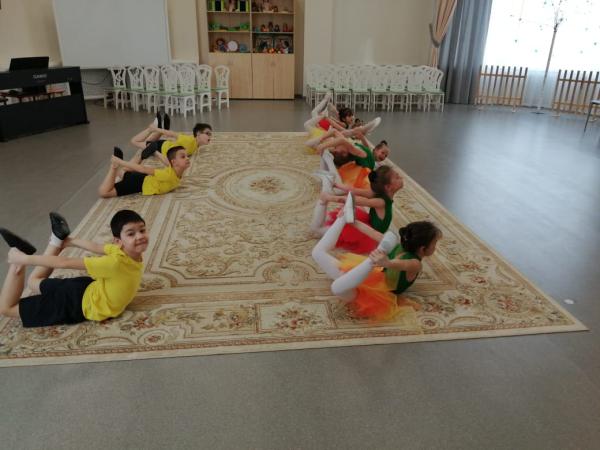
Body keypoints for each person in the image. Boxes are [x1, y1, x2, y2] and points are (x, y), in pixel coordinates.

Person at [0, 210, 148, 328]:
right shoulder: (114, 263)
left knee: (33, 282)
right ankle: (17, 260)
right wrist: (25, 260)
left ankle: (55, 241)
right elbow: (64, 263)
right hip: (74, 304)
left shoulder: (120, 250)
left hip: (84, 288)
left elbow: (97, 247)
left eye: (142, 230)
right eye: (131, 233)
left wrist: (71, 241)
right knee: (6, 309)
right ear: (118, 242)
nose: (140, 236)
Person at [312, 204, 442, 320]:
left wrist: (387, 263)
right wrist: (350, 220)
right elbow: (372, 233)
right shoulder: (411, 259)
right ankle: (341, 219)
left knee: (336, 286)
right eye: (434, 243)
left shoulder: (410, 259)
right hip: (366, 283)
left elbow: (399, 264)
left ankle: (372, 259)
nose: (435, 247)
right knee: (317, 253)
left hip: (370, 287)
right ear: (422, 248)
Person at [311, 165, 404, 254]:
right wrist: (330, 198)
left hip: (367, 224)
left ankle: (327, 184)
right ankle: (323, 198)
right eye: (397, 177)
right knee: (317, 230)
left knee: (325, 229)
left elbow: (354, 190)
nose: (400, 177)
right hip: (365, 232)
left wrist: (336, 185)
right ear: (388, 187)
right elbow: (356, 199)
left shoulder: (378, 194)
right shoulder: (381, 202)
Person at [98, 145, 190, 198]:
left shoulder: (175, 170)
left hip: (142, 179)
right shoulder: (167, 174)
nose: (187, 158)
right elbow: (143, 169)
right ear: (174, 162)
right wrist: (120, 161)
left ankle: (124, 164)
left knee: (123, 172)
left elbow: (167, 162)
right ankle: (114, 166)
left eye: (187, 156)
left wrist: (156, 152)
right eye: (183, 157)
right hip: (138, 183)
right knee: (104, 192)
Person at [130, 119, 212, 166]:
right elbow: (173, 134)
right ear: (198, 134)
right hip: (159, 147)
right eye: (207, 134)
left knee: (149, 141)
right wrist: (155, 129)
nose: (210, 137)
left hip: (165, 144)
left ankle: (158, 130)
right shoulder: (188, 140)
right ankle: (150, 129)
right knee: (134, 141)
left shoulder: (196, 144)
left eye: (210, 134)